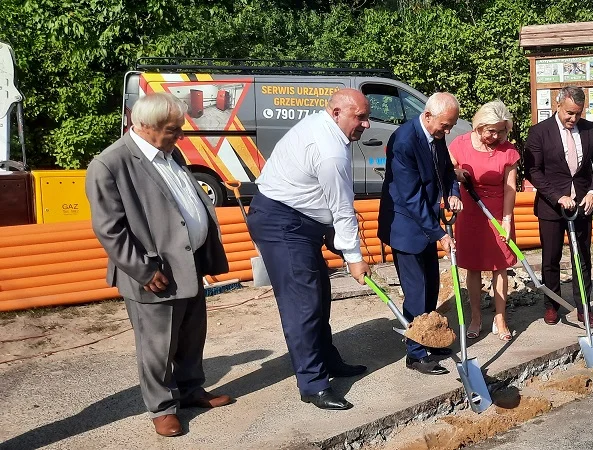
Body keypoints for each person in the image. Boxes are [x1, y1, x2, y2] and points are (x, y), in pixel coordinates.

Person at [85, 92, 232, 437]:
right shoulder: (110, 164)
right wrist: (144, 271)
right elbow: (110, 229)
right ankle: (163, 407)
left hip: (188, 263)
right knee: (157, 345)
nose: (179, 135)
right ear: (145, 127)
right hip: (154, 272)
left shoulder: (170, 153)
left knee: (191, 335)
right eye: (172, 129)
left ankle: (191, 389)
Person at [246, 89, 371, 411]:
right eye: (360, 117)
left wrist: (332, 234)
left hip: (299, 220)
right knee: (302, 304)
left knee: (318, 295)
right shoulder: (330, 150)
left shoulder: (325, 127)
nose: (367, 124)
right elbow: (342, 207)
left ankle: (327, 359)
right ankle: (313, 384)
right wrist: (354, 259)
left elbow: (325, 201)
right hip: (282, 222)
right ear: (336, 113)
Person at [377, 92, 463, 375]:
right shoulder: (404, 141)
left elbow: (447, 172)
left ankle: (431, 336)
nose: (447, 131)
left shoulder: (436, 138)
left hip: (426, 223)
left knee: (431, 287)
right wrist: (439, 233)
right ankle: (415, 353)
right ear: (428, 116)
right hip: (405, 225)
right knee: (415, 292)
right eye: (445, 125)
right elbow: (411, 196)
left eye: (451, 126)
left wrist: (452, 193)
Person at [523, 86, 593, 329]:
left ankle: (583, 306)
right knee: (551, 258)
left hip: (582, 205)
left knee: (581, 258)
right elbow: (533, 172)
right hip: (552, 207)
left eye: (578, 114)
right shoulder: (540, 132)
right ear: (558, 106)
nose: (573, 119)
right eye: (569, 113)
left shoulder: (590, 130)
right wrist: (557, 196)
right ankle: (552, 304)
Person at [449, 100, 519, 341]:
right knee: (474, 266)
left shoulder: (508, 150)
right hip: (470, 213)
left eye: (502, 130)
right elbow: (447, 174)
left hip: (499, 212)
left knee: (500, 267)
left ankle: (500, 317)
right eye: (491, 131)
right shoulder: (459, 145)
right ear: (478, 126)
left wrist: (507, 219)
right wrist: (457, 174)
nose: (497, 135)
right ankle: (476, 317)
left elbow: (510, 189)